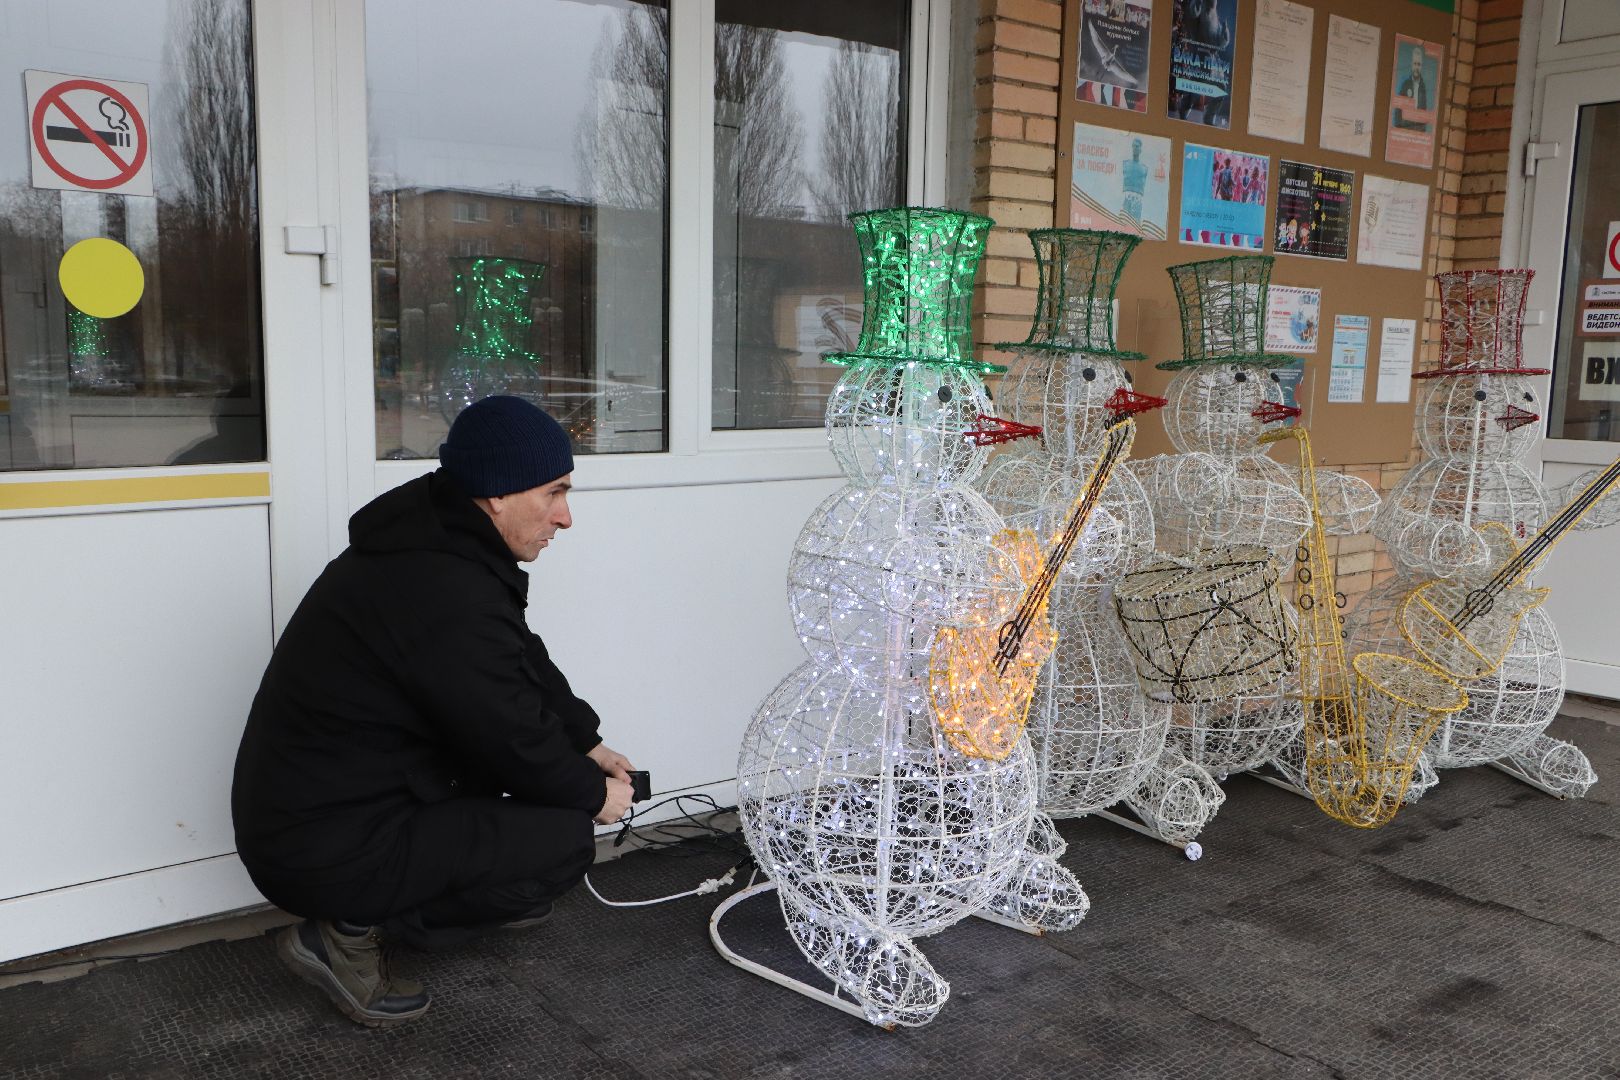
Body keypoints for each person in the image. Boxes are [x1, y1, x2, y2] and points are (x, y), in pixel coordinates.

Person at [231, 395, 635, 1027]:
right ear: (499, 493)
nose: (565, 517)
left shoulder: (443, 547)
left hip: (347, 804)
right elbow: (503, 728)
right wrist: (590, 791)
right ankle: (342, 929)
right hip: (324, 844)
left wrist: (587, 743)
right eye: (554, 492)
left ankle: (451, 887)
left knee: (541, 812)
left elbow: (518, 659)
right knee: (563, 838)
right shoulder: (437, 585)